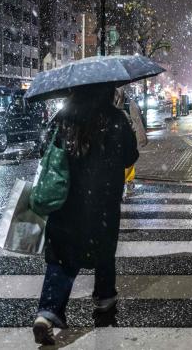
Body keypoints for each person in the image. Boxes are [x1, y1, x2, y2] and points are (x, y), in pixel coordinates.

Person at [33, 84, 139, 345]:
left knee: (61, 257)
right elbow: (129, 157)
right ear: (106, 91)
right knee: (104, 249)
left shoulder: (64, 118)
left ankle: (48, 312)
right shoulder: (116, 119)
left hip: (67, 200)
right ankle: (104, 298)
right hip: (103, 201)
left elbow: (44, 152)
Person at [113, 88, 148, 200]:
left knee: (128, 162)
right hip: (115, 138)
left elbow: (137, 121)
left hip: (128, 137)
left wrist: (141, 138)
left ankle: (128, 184)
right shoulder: (107, 104)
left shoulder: (129, 103)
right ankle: (124, 184)